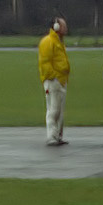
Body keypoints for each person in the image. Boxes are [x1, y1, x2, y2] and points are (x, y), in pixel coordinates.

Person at [37, 16, 70, 147]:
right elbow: (45, 62)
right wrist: (53, 77)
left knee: (59, 111)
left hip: (61, 80)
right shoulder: (48, 41)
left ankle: (57, 136)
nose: (66, 28)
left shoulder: (58, 41)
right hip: (54, 81)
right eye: (63, 25)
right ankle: (51, 136)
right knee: (53, 110)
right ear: (56, 27)